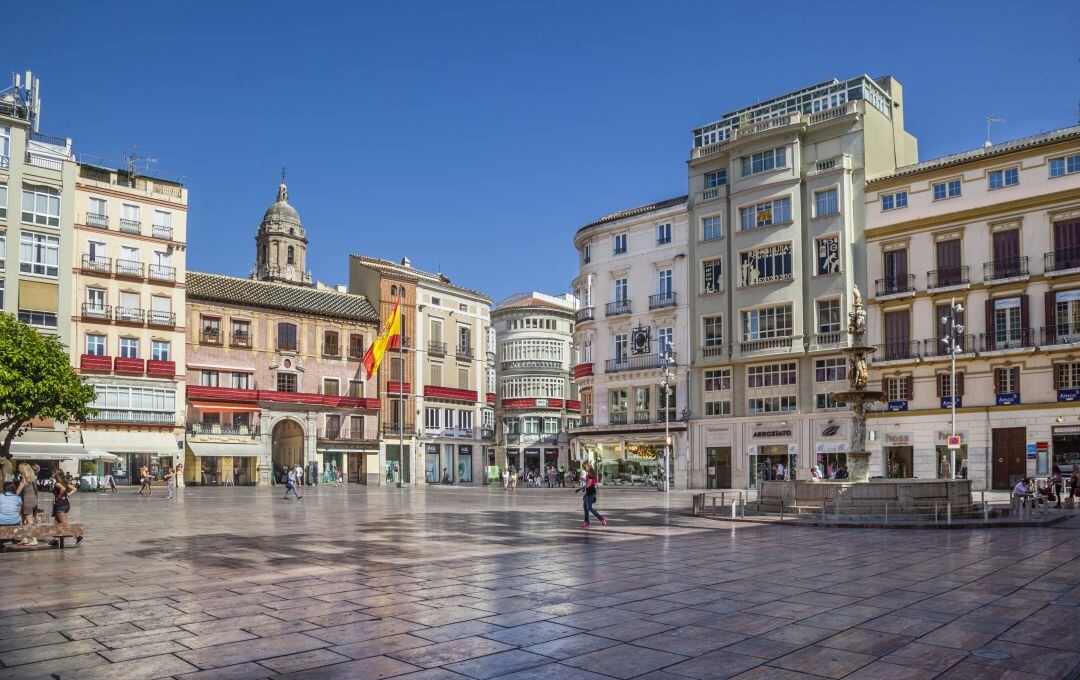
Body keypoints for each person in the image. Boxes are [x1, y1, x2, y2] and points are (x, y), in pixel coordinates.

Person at [51, 469, 82, 546]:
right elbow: (75, 489)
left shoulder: (57, 483)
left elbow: (63, 489)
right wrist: (67, 495)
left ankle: (78, 536)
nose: (52, 475)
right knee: (56, 522)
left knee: (65, 523)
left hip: (61, 505)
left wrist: (59, 497)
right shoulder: (64, 482)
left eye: (53, 474)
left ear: (56, 475)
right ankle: (55, 540)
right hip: (65, 504)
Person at [576, 462, 606, 529]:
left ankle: (602, 518)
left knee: (589, 508)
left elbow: (588, 485)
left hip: (591, 493)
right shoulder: (589, 474)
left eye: (584, 467)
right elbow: (589, 483)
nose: (584, 469)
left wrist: (579, 489)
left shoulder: (590, 474)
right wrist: (583, 479)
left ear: (588, 466)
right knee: (585, 507)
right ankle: (586, 522)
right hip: (588, 493)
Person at [15, 464, 40, 546]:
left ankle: (34, 540)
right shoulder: (33, 480)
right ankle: (24, 538)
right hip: (34, 501)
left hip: (27, 501)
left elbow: (17, 493)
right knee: (23, 520)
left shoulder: (23, 480)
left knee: (30, 523)